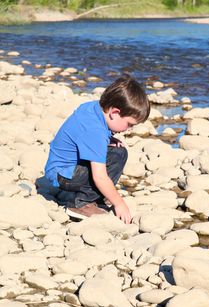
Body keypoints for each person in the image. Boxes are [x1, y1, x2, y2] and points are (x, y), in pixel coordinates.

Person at [44, 75, 150, 224]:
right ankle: (82, 204)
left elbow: (83, 135)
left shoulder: (94, 108)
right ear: (114, 113)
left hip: (62, 168)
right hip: (62, 175)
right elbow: (99, 176)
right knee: (117, 155)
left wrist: (108, 139)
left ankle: (96, 198)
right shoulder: (94, 131)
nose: (129, 130)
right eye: (129, 124)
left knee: (117, 151)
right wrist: (119, 203)